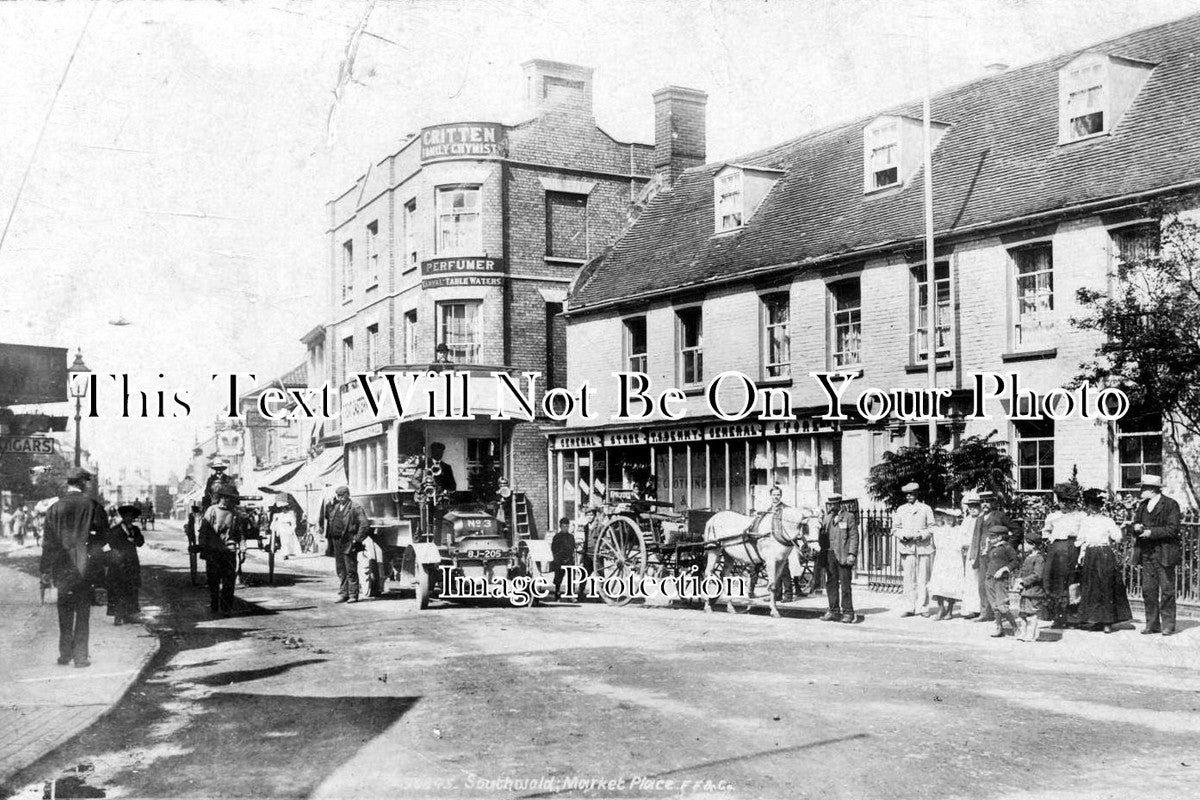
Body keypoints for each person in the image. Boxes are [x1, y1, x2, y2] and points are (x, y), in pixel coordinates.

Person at [40, 467, 109, 667]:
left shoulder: (54, 509)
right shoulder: (93, 507)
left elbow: (48, 544)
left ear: (68, 483)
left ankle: (64, 654)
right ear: (83, 483)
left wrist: (45, 571)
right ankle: (80, 656)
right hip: (85, 568)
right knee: (83, 611)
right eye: (87, 483)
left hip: (61, 569)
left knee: (64, 610)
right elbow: (102, 539)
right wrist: (101, 566)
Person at [1128, 474, 1181, 636]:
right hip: (1147, 554)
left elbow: (1173, 529)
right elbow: (1135, 523)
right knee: (1148, 590)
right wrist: (1136, 527)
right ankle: (1152, 624)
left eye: (1142, 488)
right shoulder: (1143, 506)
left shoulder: (1170, 505)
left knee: (1167, 590)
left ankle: (1168, 625)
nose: (1140, 491)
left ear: (1152, 489)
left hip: (1164, 553)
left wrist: (1151, 532)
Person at [1076, 488, 1132, 633]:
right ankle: (1095, 620)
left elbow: (1117, 538)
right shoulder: (1085, 521)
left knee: (1106, 586)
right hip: (1090, 554)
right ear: (1087, 506)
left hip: (1104, 554)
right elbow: (1081, 539)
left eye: (1096, 505)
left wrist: (1121, 529)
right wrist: (1081, 554)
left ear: (1100, 506)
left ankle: (1107, 621)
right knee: (1092, 588)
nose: (1093, 508)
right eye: (1090, 505)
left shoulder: (1107, 520)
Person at [966, 490, 1015, 624]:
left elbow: (1016, 530)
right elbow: (976, 537)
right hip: (983, 555)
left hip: (997, 556)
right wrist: (974, 555)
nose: (985, 505)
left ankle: (1000, 613)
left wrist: (1006, 547)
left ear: (993, 502)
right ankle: (985, 612)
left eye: (988, 502)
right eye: (983, 502)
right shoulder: (980, 518)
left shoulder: (1000, 516)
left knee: (997, 584)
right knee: (983, 584)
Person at [1040, 483, 1085, 629]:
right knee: (1056, 583)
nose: (1064, 504)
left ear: (1073, 502)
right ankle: (1058, 617)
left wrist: (1080, 550)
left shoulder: (1080, 516)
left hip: (1072, 549)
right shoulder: (1053, 516)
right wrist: (1050, 540)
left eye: (1068, 501)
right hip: (1056, 551)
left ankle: (1073, 618)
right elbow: (1045, 532)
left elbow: (1084, 534)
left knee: (1072, 582)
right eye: (1061, 501)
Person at [198, 485, 243, 616]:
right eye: (226, 498)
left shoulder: (234, 514)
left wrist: (243, 547)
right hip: (214, 551)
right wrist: (203, 546)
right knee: (213, 580)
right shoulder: (212, 510)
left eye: (231, 499)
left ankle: (226, 608)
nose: (228, 501)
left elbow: (239, 533)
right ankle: (214, 604)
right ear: (221, 498)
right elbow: (204, 531)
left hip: (229, 551)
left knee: (229, 581)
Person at [892, 482, 935, 617]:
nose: (909, 496)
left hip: (923, 548)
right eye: (907, 494)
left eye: (912, 494)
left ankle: (923, 607)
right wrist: (902, 535)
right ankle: (909, 607)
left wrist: (922, 535)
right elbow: (894, 529)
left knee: (923, 579)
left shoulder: (925, 508)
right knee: (909, 579)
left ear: (917, 494)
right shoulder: (901, 509)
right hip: (907, 548)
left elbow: (932, 527)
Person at [817, 493, 858, 623]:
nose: (833, 506)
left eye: (835, 504)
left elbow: (854, 536)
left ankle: (848, 612)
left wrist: (852, 554)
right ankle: (833, 610)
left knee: (845, 585)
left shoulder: (849, 516)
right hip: (830, 556)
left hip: (843, 555)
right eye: (831, 504)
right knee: (831, 584)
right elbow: (822, 534)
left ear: (840, 503)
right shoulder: (827, 518)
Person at [324, 486, 369, 603]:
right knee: (340, 569)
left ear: (348, 494)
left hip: (349, 541)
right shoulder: (335, 507)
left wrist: (357, 539)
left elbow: (364, 524)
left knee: (350, 569)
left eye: (342, 495)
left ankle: (353, 594)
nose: (340, 497)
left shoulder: (355, 507)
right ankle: (344, 593)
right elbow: (328, 519)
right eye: (338, 495)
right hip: (336, 541)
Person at [106, 504, 145, 625]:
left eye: (131, 517)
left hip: (132, 563)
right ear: (123, 517)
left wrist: (135, 540)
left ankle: (129, 614)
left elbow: (140, 543)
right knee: (119, 590)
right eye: (127, 516)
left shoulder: (135, 530)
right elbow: (110, 545)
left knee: (131, 589)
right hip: (118, 564)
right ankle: (118, 615)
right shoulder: (116, 530)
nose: (129, 519)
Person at [927, 508, 968, 620]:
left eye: (951, 518)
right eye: (947, 517)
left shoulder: (960, 530)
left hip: (954, 560)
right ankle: (941, 609)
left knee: (952, 585)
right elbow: (937, 544)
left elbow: (963, 543)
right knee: (939, 584)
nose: (949, 520)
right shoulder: (939, 530)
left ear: (955, 518)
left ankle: (949, 610)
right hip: (942, 559)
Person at [982, 523, 1020, 638]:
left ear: (1000, 537)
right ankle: (999, 627)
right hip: (990, 578)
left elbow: (1015, 562)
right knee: (994, 605)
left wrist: (1004, 569)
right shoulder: (992, 548)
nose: (990, 538)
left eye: (992, 536)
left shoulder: (1007, 548)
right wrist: (985, 550)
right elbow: (986, 562)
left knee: (1002, 605)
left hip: (1000, 580)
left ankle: (1015, 628)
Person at [1013, 529, 1046, 642]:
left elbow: (1038, 575)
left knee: (1032, 613)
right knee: (1023, 613)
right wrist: (1019, 581)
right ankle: (1024, 633)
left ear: (1033, 545)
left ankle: (1031, 635)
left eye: (1026, 544)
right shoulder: (1028, 557)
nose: (1024, 546)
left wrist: (1023, 580)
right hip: (1025, 591)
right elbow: (1023, 571)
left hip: (1034, 591)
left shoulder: (1039, 559)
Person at [551, 517, 577, 601]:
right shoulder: (557, 537)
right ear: (560, 526)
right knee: (558, 578)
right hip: (559, 560)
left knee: (571, 577)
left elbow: (572, 548)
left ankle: (570, 595)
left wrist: (569, 558)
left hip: (569, 560)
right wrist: (558, 559)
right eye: (563, 526)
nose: (565, 528)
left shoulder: (571, 537)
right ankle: (557, 593)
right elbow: (554, 549)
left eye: (567, 526)